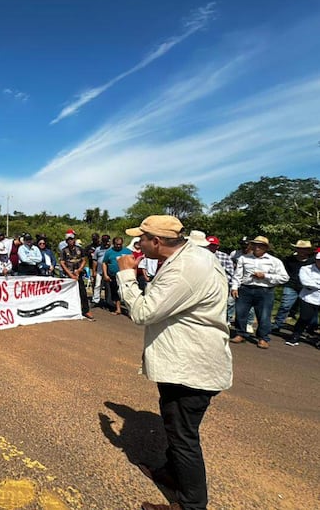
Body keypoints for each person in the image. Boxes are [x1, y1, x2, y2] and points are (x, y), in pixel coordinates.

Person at [116, 215, 232, 510]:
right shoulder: (191, 257)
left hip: (191, 367)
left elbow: (143, 312)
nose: (138, 243)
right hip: (185, 362)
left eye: (142, 238)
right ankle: (171, 473)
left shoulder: (185, 268)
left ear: (156, 242)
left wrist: (127, 276)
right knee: (175, 425)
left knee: (183, 437)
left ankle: (192, 505)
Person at [230, 236, 289, 349]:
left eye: (260, 246)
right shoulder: (244, 258)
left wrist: (265, 276)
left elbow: (284, 278)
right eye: (255, 245)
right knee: (241, 313)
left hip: (264, 290)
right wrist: (234, 287)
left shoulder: (274, 261)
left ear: (266, 248)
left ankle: (263, 338)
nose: (257, 247)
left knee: (264, 316)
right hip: (246, 288)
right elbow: (237, 275)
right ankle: (240, 334)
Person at [273, 240, 314, 332]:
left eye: (305, 249)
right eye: (300, 249)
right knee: (285, 305)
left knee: (306, 309)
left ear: (308, 250)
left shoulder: (313, 261)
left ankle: (304, 328)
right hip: (291, 285)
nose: (302, 251)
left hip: (307, 288)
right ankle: (277, 325)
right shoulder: (289, 259)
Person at [285, 248, 320, 348]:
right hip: (308, 298)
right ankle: (295, 335)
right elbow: (305, 282)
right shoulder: (306, 269)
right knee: (305, 318)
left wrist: (315, 284)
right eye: (318, 260)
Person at [59, 234, 93, 319]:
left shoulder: (80, 249)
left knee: (83, 292)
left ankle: (86, 310)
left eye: (72, 239)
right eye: (69, 239)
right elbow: (62, 263)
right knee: (68, 293)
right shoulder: (64, 250)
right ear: (66, 241)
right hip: (68, 275)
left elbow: (84, 260)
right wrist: (70, 274)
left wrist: (79, 270)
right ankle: (68, 310)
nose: (71, 241)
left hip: (78, 273)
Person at [206, 236, 235, 324]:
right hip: (205, 285)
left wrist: (227, 284)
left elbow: (230, 273)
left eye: (213, 245)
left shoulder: (224, 256)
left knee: (222, 304)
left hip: (220, 285)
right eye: (209, 245)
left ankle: (223, 322)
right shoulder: (200, 255)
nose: (210, 247)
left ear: (217, 246)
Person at [101, 237, 132, 315]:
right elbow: (104, 263)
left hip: (124, 275)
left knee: (126, 292)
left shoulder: (127, 251)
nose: (118, 246)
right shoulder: (109, 252)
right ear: (113, 244)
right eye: (117, 244)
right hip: (113, 275)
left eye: (120, 244)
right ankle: (118, 309)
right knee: (115, 292)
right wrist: (105, 274)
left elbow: (132, 262)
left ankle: (130, 309)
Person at [91, 234, 111, 307]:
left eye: (107, 241)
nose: (106, 243)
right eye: (104, 241)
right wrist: (94, 271)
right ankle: (95, 300)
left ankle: (109, 301)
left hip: (109, 272)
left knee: (108, 287)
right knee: (97, 285)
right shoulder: (98, 249)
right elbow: (95, 260)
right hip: (99, 271)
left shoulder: (111, 249)